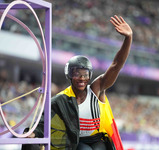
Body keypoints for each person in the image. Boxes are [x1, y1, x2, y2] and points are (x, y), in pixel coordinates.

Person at [22, 15, 132, 150]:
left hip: (97, 139)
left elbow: (116, 65)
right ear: (69, 75)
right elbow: (44, 122)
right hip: (77, 141)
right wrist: (33, 133)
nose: (81, 78)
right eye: (76, 74)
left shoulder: (96, 89)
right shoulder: (61, 100)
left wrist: (128, 38)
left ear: (90, 75)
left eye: (85, 74)